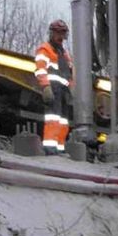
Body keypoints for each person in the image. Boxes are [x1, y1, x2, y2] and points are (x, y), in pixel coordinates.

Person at [34, 18, 73, 154]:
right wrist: (45, 86)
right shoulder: (45, 50)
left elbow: (69, 73)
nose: (60, 37)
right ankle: (50, 147)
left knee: (63, 121)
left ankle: (59, 147)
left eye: (62, 34)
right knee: (53, 118)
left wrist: (71, 89)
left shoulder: (64, 53)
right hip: (53, 89)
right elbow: (40, 69)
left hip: (63, 91)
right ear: (52, 33)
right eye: (58, 33)